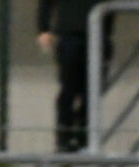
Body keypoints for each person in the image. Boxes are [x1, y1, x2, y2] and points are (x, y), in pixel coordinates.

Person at [36, 0, 114, 153]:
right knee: (69, 90)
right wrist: (43, 28)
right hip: (70, 35)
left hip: (99, 35)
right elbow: (45, 3)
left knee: (92, 93)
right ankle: (64, 139)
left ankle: (83, 138)